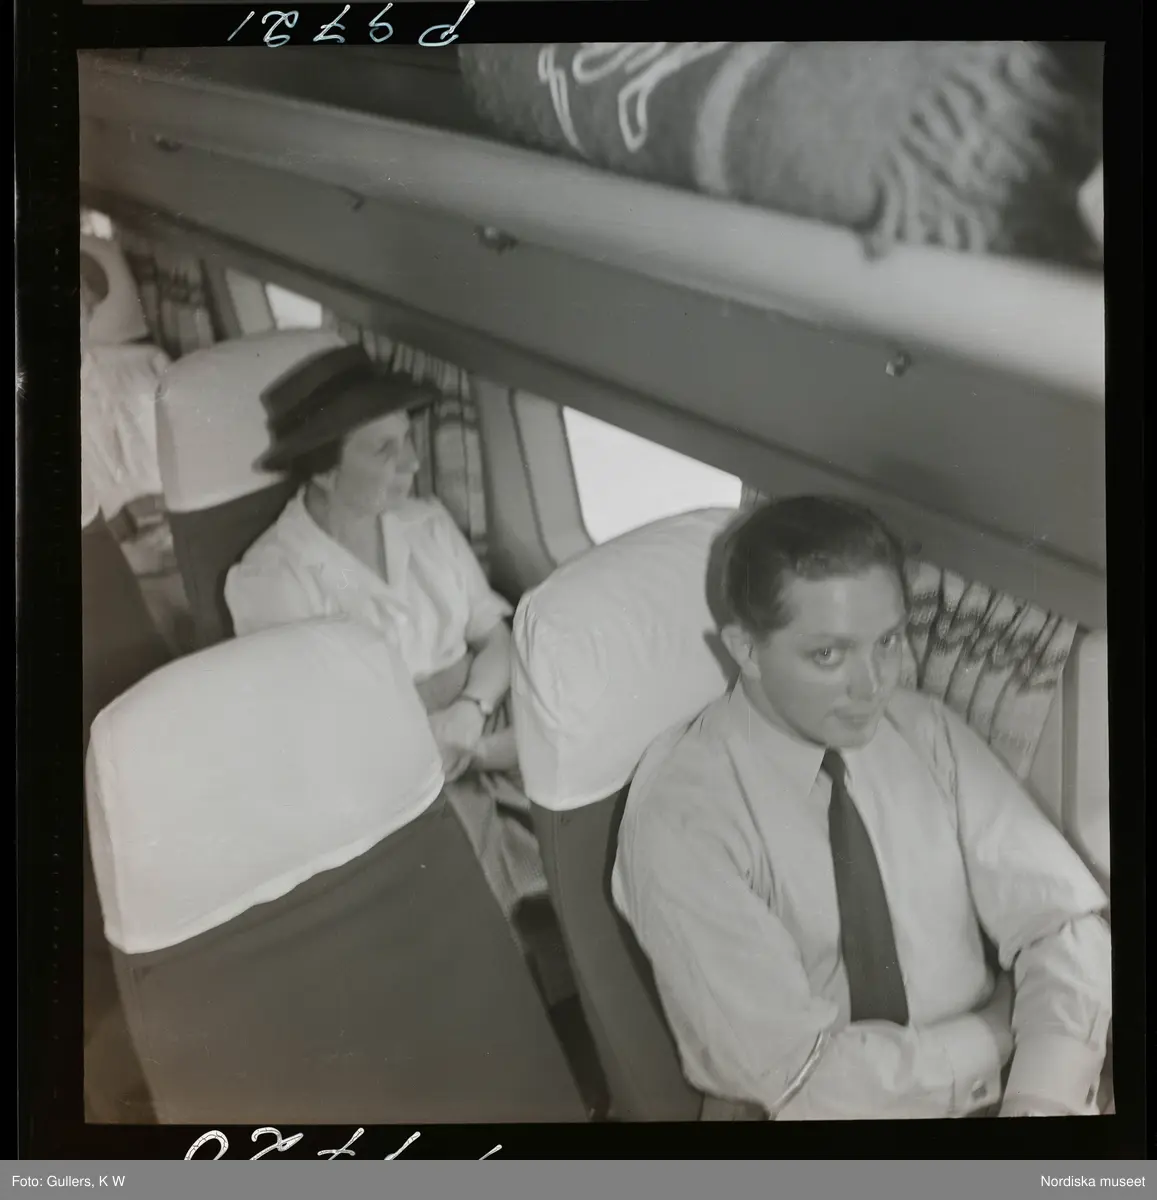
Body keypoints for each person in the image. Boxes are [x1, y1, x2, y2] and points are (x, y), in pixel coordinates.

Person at [612, 496, 1112, 1120]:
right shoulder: (681, 819)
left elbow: (1060, 918)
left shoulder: (919, 729)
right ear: (746, 649)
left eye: (888, 641)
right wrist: (998, 1031)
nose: (873, 684)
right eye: (829, 655)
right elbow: (800, 1079)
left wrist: (1042, 1092)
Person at [224, 342, 548, 927]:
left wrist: (471, 713)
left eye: (408, 440)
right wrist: (451, 744)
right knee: (481, 906)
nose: (413, 464)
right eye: (384, 450)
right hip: (387, 771)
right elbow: (318, 732)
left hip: (480, 727)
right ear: (323, 469)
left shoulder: (428, 523)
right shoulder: (270, 577)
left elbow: (497, 639)